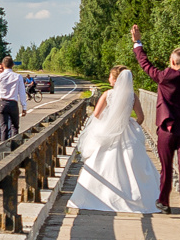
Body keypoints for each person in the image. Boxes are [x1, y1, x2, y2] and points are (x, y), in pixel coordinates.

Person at [131, 24, 180, 217]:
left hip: (167, 129)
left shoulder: (165, 78)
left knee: (167, 167)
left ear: (172, 60)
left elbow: (145, 65)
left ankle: (163, 201)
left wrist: (138, 43)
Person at [67, 65, 161, 213]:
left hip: (108, 132)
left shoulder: (108, 94)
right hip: (127, 131)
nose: (109, 79)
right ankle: (137, 197)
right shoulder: (132, 96)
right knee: (133, 164)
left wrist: (109, 123)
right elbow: (141, 117)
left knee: (101, 161)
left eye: (110, 76)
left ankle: (100, 196)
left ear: (116, 79)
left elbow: (96, 114)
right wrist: (130, 124)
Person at [0, 57, 25, 139]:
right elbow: (22, 92)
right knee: (15, 127)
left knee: (3, 129)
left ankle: (4, 147)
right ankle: (15, 147)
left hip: (2, 103)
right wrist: (24, 107)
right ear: (12, 65)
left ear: (3, 65)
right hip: (13, 103)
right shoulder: (18, 77)